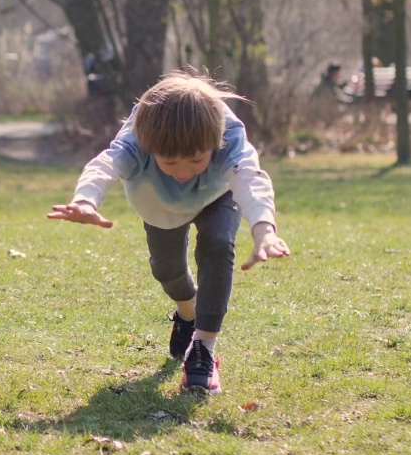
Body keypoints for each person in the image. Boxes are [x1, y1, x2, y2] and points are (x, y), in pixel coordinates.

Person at [46, 71, 290, 394]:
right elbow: (105, 165)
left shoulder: (227, 134)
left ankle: (203, 349)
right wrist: (85, 200)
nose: (184, 173)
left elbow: (250, 178)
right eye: (170, 161)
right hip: (160, 205)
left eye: (196, 159)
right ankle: (186, 314)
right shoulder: (138, 139)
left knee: (217, 245)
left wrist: (264, 231)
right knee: (167, 268)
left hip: (218, 195)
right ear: (151, 148)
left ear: (213, 142)